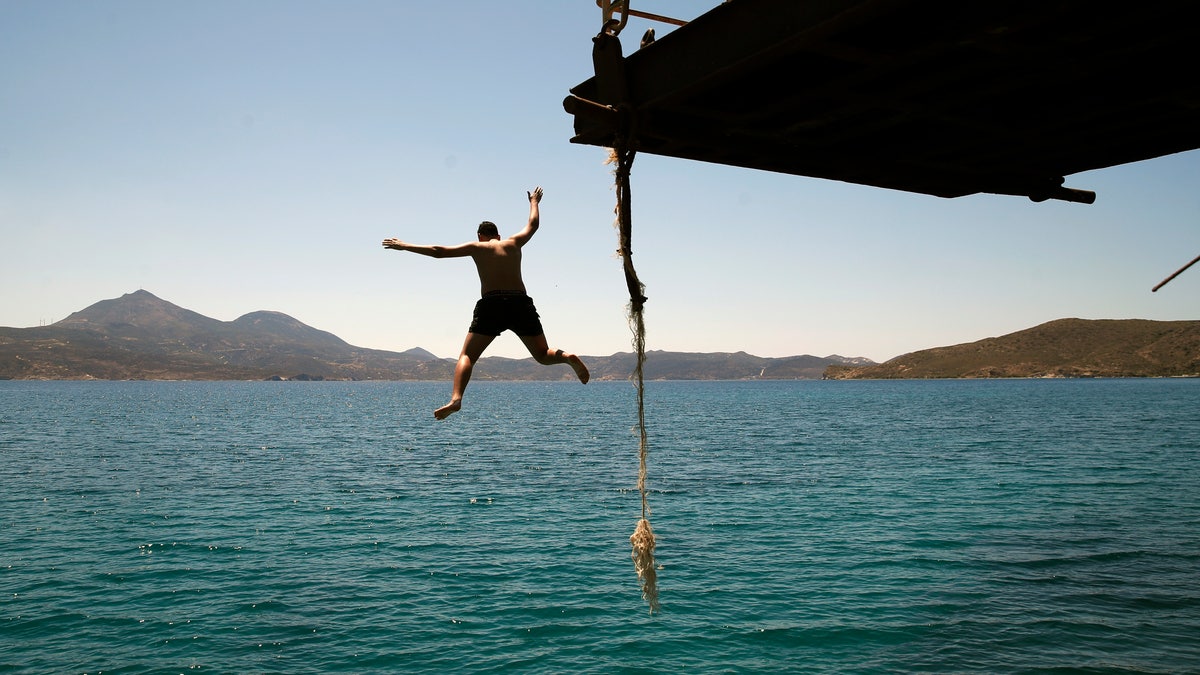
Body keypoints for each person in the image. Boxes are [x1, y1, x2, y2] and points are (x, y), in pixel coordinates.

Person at [382, 186, 590, 419]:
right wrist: (534, 201)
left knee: (467, 356)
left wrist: (404, 245)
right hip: (520, 302)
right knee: (542, 355)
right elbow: (533, 225)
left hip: (491, 304)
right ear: (498, 236)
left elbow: (438, 251)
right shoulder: (513, 243)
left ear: (479, 236)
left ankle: (456, 398)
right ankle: (566, 357)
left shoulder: (477, 247)